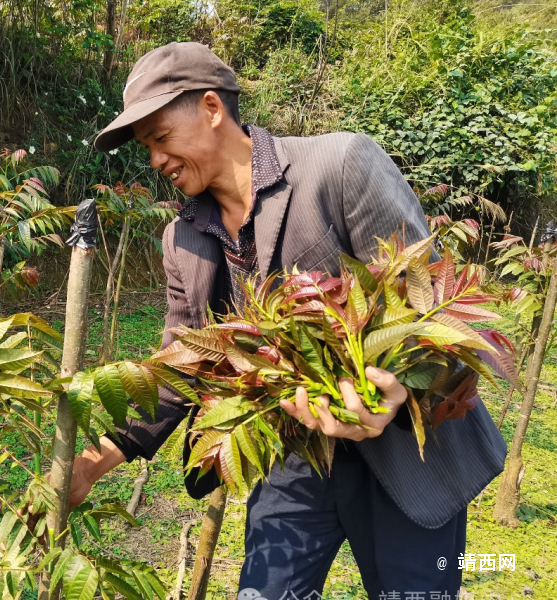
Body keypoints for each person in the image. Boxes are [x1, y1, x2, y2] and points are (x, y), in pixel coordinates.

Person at [69, 42, 507, 599]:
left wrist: (396, 394)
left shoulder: (342, 165)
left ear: (210, 108)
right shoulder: (181, 239)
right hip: (299, 456)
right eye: (146, 147)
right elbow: (182, 368)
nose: (155, 159)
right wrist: (93, 461)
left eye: (160, 138)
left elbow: (428, 303)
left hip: (410, 452)